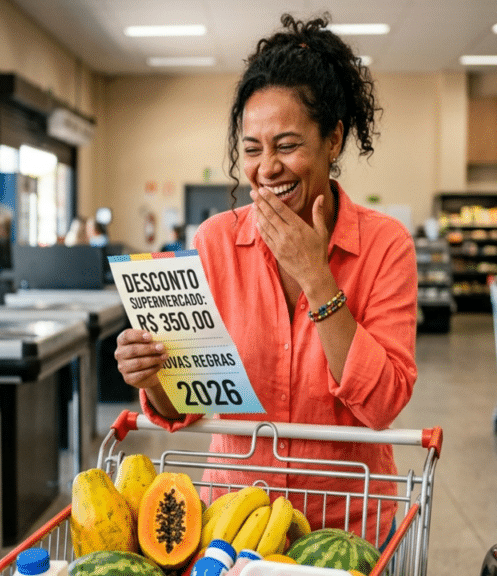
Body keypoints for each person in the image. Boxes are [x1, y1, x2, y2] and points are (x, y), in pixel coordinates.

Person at [114, 13, 417, 549]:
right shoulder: (214, 242)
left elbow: (383, 404)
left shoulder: (386, 245)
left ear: (334, 141)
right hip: (232, 525)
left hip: (344, 530)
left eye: (287, 145)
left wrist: (316, 277)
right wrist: (152, 379)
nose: (267, 167)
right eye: (252, 150)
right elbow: (185, 404)